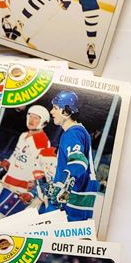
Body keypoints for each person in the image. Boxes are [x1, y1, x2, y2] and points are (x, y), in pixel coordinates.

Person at [37, 91, 100, 221]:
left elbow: (79, 162)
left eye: (55, 108)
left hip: (72, 199)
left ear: (66, 112)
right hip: (77, 196)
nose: (51, 112)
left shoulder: (72, 133)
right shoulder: (79, 132)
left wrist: (62, 185)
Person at [0, 104, 56, 218]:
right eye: (30, 116)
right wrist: (5, 164)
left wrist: (32, 192)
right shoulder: (24, 135)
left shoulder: (41, 140)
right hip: (9, 183)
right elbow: (15, 156)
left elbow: (43, 169)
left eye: (36, 118)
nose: (31, 120)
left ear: (43, 122)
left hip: (21, 190)